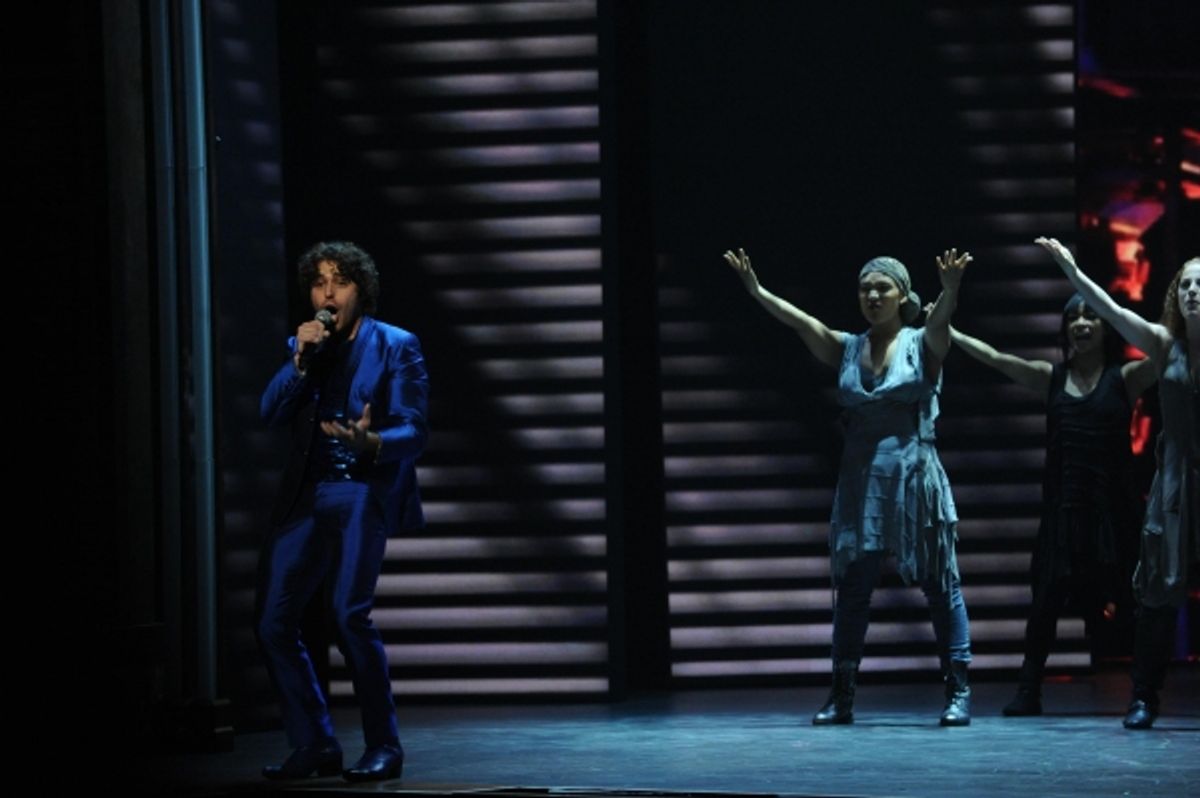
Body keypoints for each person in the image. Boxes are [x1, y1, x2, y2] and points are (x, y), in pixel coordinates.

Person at [723, 246, 974, 725]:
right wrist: (756, 290)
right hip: (861, 479)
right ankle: (842, 694)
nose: (872, 296)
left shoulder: (921, 342)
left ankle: (958, 690)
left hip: (912, 474)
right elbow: (801, 322)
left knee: (940, 584)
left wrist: (950, 289)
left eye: (882, 288)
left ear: (902, 295)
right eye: (865, 289)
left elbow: (942, 322)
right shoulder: (847, 347)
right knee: (854, 587)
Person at [257, 241, 429, 779]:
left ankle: (385, 746)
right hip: (307, 494)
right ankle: (314, 743)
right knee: (273, 622)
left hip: (360, 488)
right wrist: (299, 360)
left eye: (340, 281)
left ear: (362, 290)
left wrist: (370, 441)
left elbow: (415, 429)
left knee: (348, 615)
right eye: (318, 283)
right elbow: (270, 411)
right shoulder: (307, 347)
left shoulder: (396, 345)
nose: (327, 294)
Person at [948, 297, 1156, 715]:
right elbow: (997, 359)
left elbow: (1170, 350)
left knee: (1129, 605)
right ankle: (1028, 691)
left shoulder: (1125, 378)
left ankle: (1142, 695)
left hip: (1112, 515)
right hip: (1062, 513)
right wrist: (947, 330)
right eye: (1073, 318)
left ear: (1106, 327)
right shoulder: (1052, 377)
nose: (1081, 323)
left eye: (1090, 316)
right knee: (1045, 602)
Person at [1036, 237, 1197, 730]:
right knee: (1159, 588)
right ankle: (1144, 696)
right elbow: (1111, 310)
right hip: (1177, 481)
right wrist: (1072, 271)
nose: (1193, 292)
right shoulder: (1165, 343)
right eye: (1186, 285)